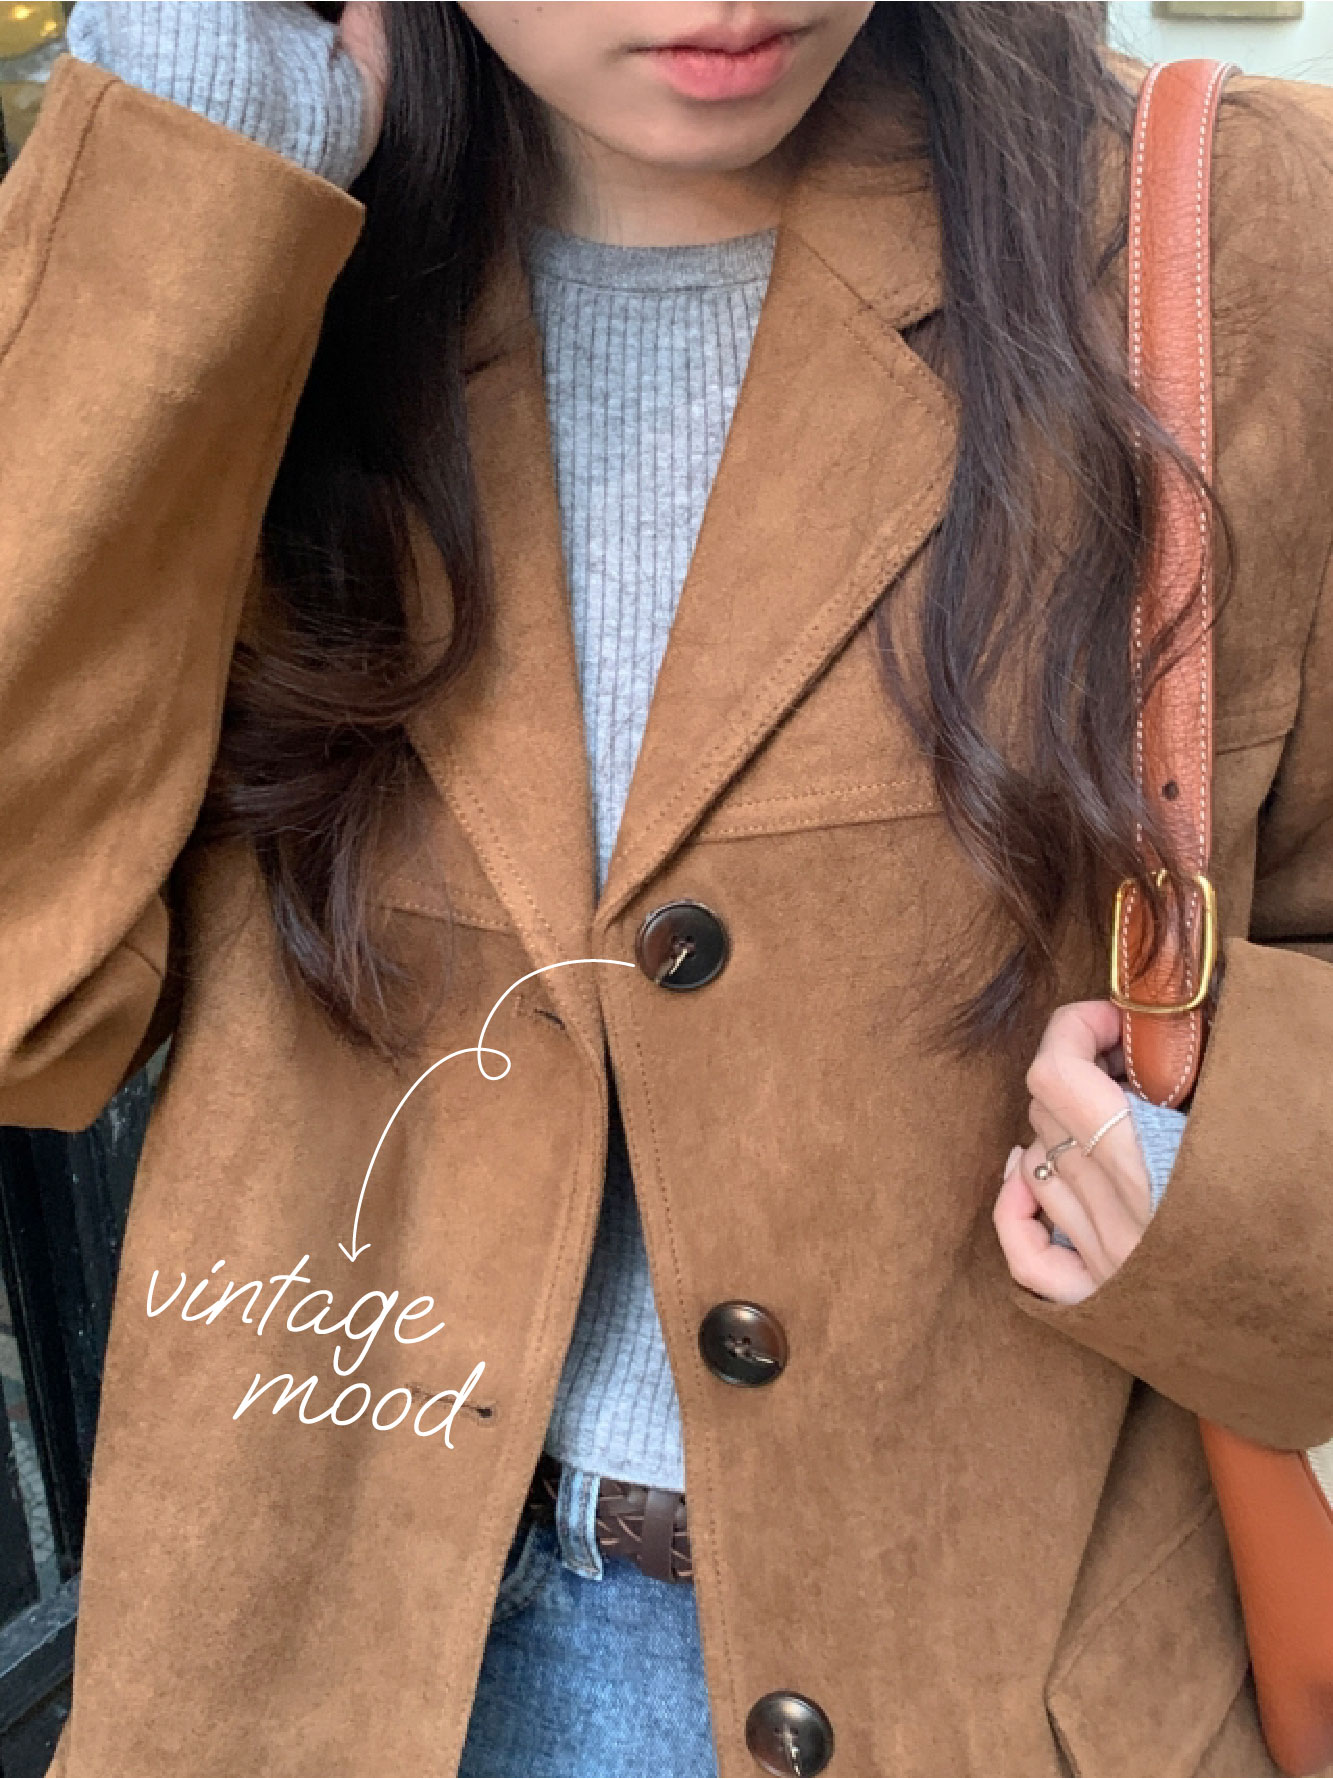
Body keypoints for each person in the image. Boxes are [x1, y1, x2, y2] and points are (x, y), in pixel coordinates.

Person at [2, 2, 1331, 1773]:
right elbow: (29, 1008)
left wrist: (1217, 1174)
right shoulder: (246, 222)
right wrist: (184, 186)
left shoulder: (1224, 233)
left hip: (998, 1677)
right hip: (316, 1652)